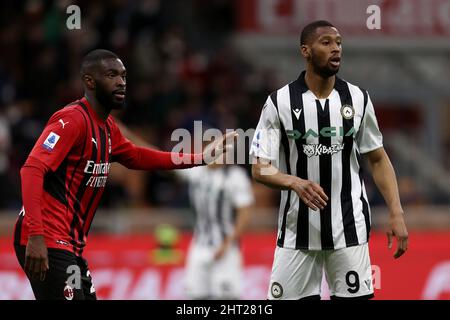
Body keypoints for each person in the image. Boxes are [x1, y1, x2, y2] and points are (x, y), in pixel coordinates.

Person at [13, 49, 236, 300]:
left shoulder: (108, 128)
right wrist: (36, 235)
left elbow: (138, 156)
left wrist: (200, 159)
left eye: (123, 75)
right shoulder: (71, 120)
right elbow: (31, 170)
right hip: (47, 239)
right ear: (90, 81)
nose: (121, 82)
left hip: (70, 245)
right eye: (111, 75)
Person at [250, 20, 409, 300]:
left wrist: (396, 212)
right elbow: (259, 167)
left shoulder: (358, 98)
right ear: (306, 51)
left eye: (339, 43)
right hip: (296, 233)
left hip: (349, 228)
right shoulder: (279, 102)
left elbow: (378, 159)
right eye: (326, 42)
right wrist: (294, 182)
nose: (336, 49)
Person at [176, 161, 254, 300]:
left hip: (225, 247)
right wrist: (128, 141)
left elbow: (245, 213)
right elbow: (164, 163)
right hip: (199, 245)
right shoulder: (196, 170)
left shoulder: (235, 176)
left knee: (227, 298)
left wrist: (228, 242)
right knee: (196, 296)